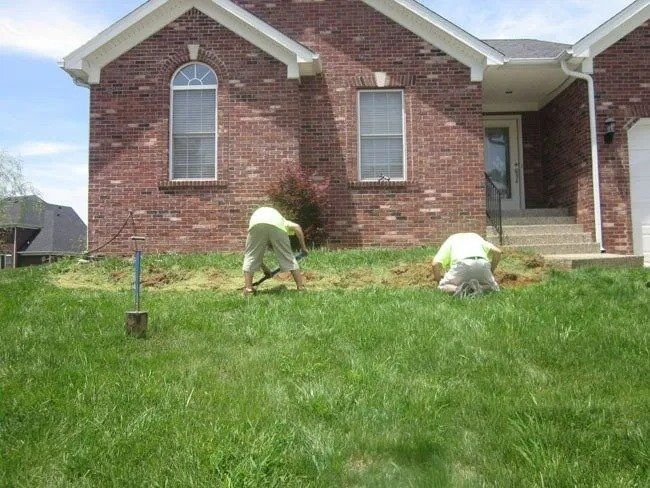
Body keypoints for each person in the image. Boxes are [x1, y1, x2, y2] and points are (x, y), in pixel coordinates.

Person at [243, 207, 308, 294]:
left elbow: (255, 256)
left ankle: (248, 289)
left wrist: (265, 269)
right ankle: (300, 287)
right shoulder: (284, 222)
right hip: (277, 226)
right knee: (288, 256)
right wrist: (304, 248)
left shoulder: (266, 215)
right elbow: (297, 227)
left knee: (251, 256)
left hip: (256, 224)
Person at [432, 233, 502, 294]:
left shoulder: (451, 239)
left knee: (442, 287)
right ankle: (479, 288)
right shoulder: (476, 237)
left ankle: (460, 289)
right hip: (482, 264)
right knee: (494, 287)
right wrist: (491, 271)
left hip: (462, 265)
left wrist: (439, 282)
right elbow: (498, 252)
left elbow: (435, 264)